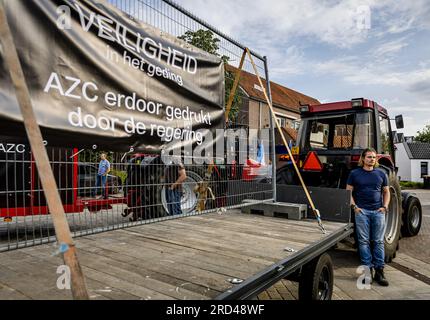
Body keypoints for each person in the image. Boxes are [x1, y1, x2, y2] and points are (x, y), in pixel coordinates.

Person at [346, 148, 390, 286]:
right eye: (369, 157)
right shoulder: (354, 173)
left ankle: (379, 271)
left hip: (378, 212)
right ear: (363, 159)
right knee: (363, 242)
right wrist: (355, 207)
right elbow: (348, 192)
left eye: (374, 157)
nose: (372, 159)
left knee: (378, 241)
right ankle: (367, 272)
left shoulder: (381, 174)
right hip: (362, 212)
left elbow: (386, 192)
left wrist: (385, 207)